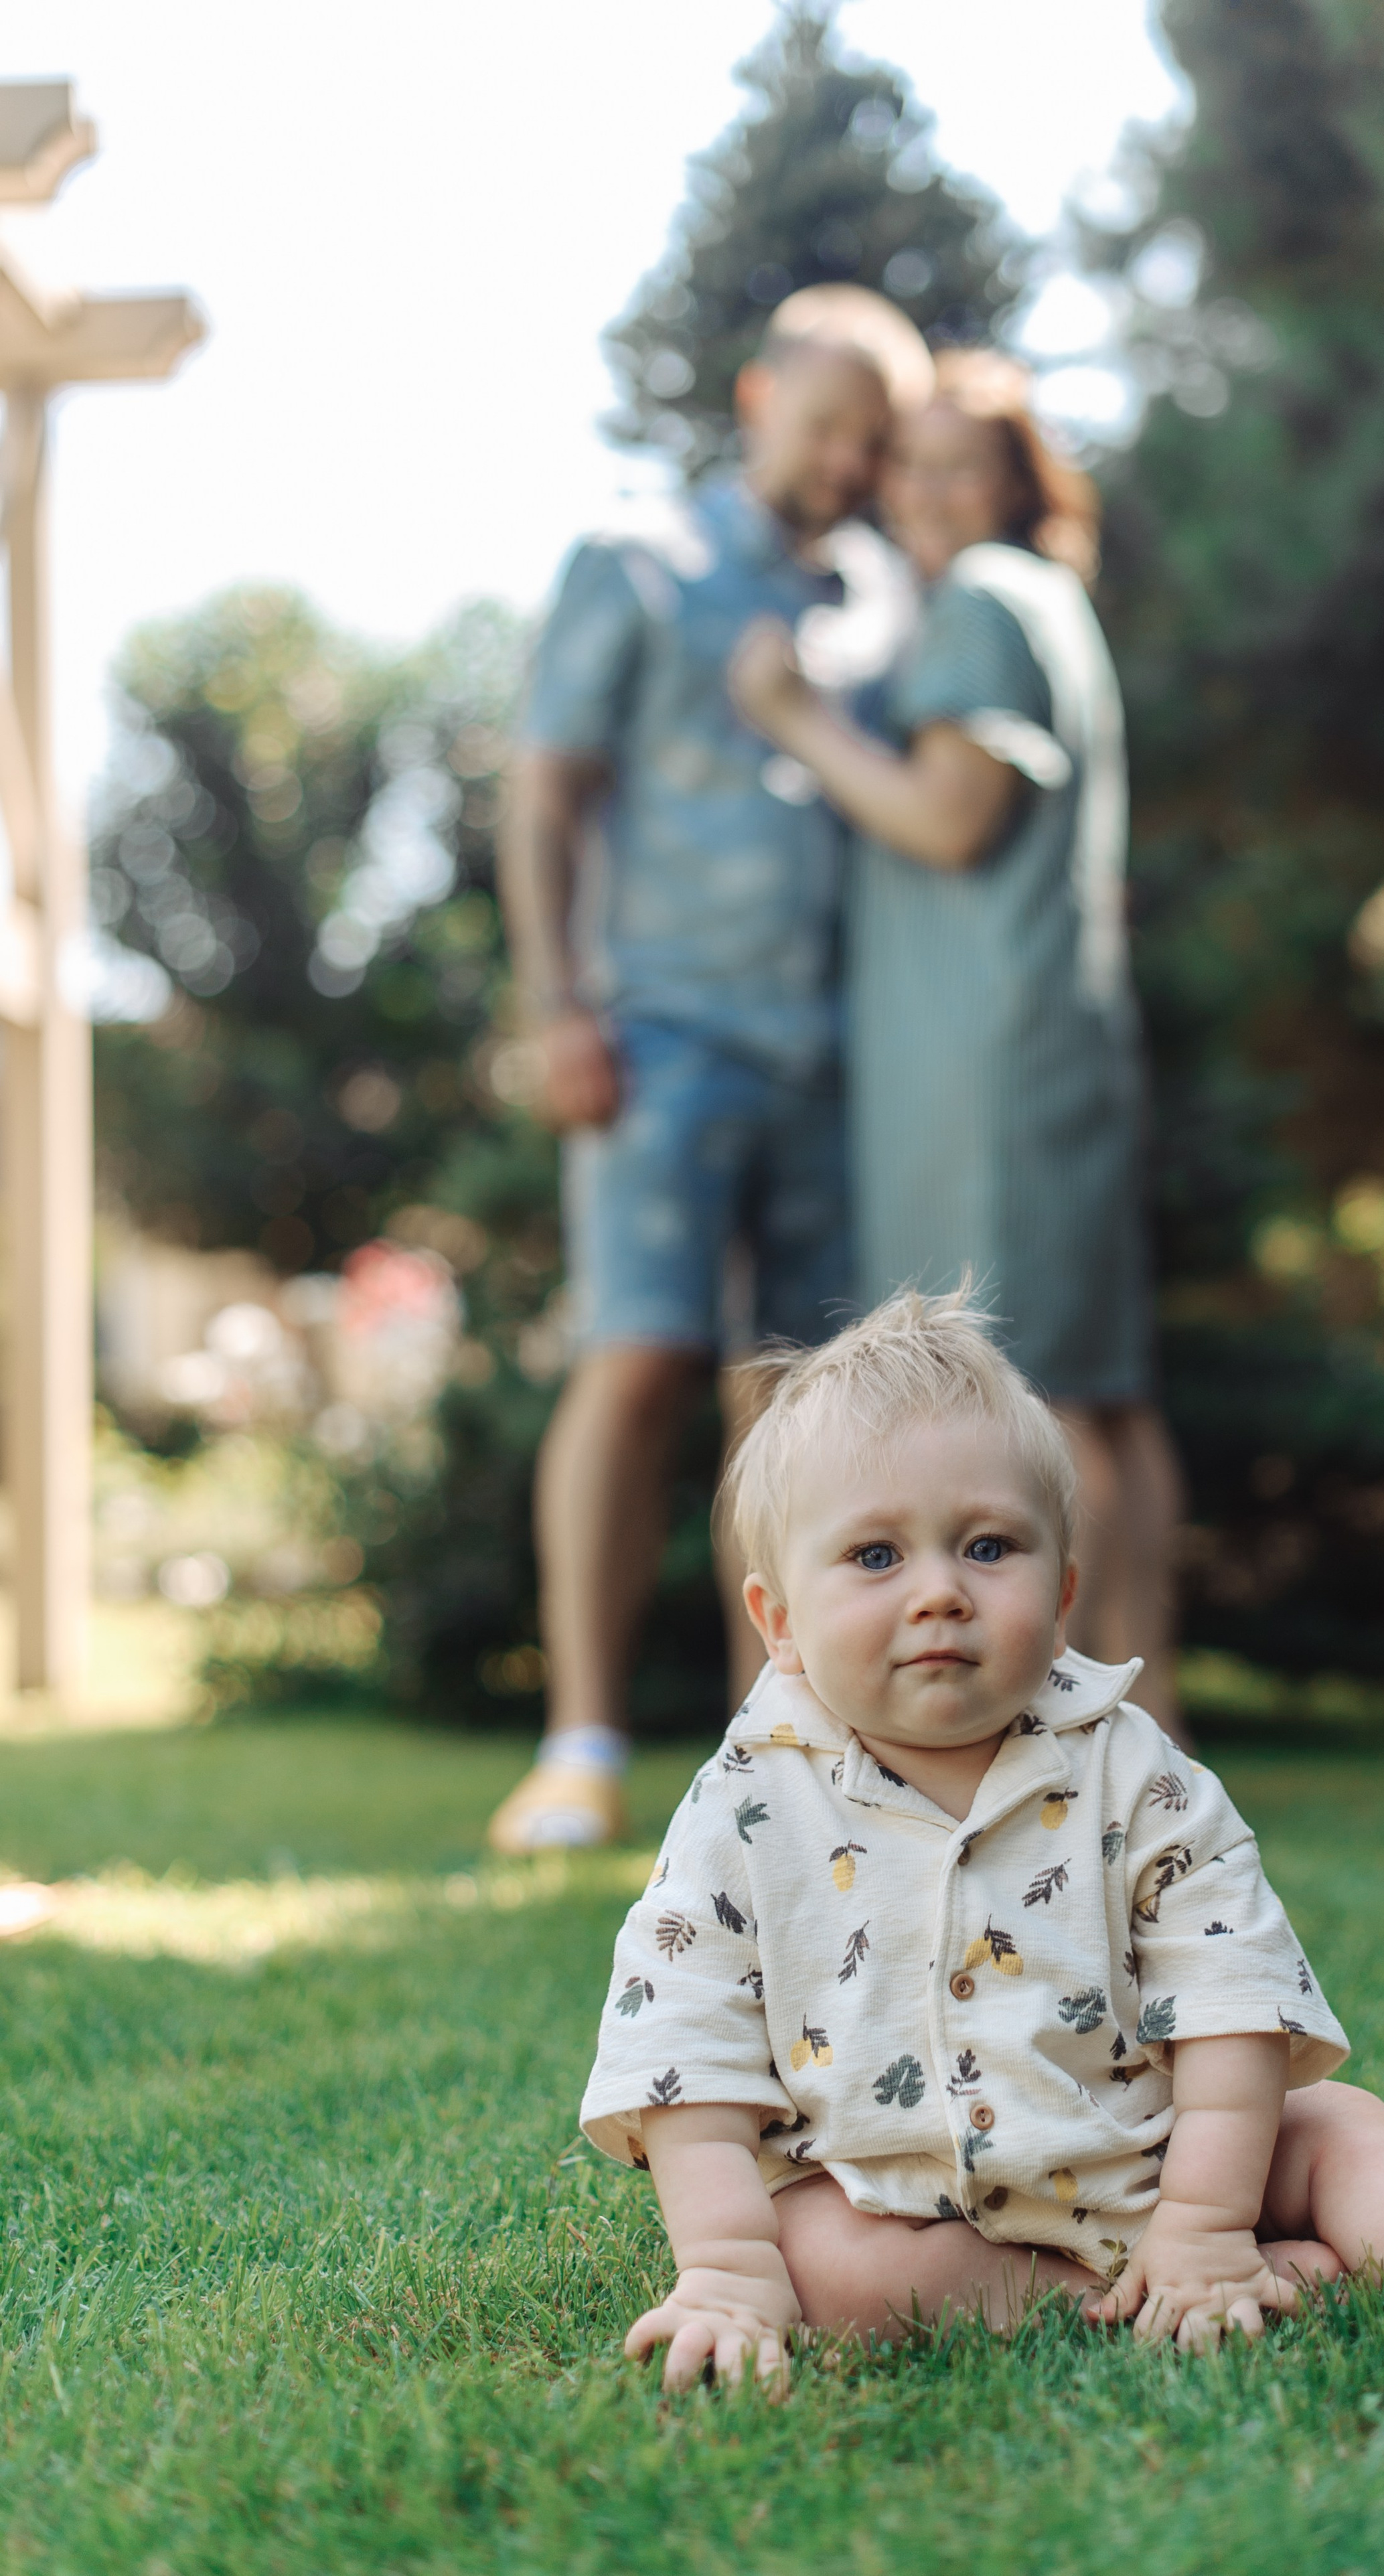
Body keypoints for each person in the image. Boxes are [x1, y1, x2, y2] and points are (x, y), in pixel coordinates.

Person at [581, 1289, 1384, 2397]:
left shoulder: (1134, 1771)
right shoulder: (744, 1802)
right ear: (779, 1621)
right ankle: (1105, 2298)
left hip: (1165, 2152)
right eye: (875, 1556)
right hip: (901, 2195)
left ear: (1062, 1594)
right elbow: (689, 2043)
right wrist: (727, 2269)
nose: (938, 1593)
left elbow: (1230, 1992)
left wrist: (1204, 2218)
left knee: (1341, 2130)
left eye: (986, 1546)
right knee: (823, 2258)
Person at [487, 287, 932, 1855]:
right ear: (756, 398)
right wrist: (556, 1003)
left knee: (796, 1405)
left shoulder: (887, 593)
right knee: (639, 1359)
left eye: (872, 438)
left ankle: (781, 1759)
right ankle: (582, 1740)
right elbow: (541, 793)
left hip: (833, 1055)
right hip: (657, 1034)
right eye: (826, 425)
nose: (847, 458)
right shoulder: (634, 563)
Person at [729, 352, 1186, 1741]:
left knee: (1040, 1392)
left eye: (956, 466)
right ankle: (1150, 1729)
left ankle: (1094, 1736)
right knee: (1102, 1391)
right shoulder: (1049, 601)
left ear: (1010, 484)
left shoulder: (985, 597)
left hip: (985, 1056)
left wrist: (791, 716)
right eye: (904, 466)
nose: (922, 493)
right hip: (1050, 1037)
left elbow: (947, 815)